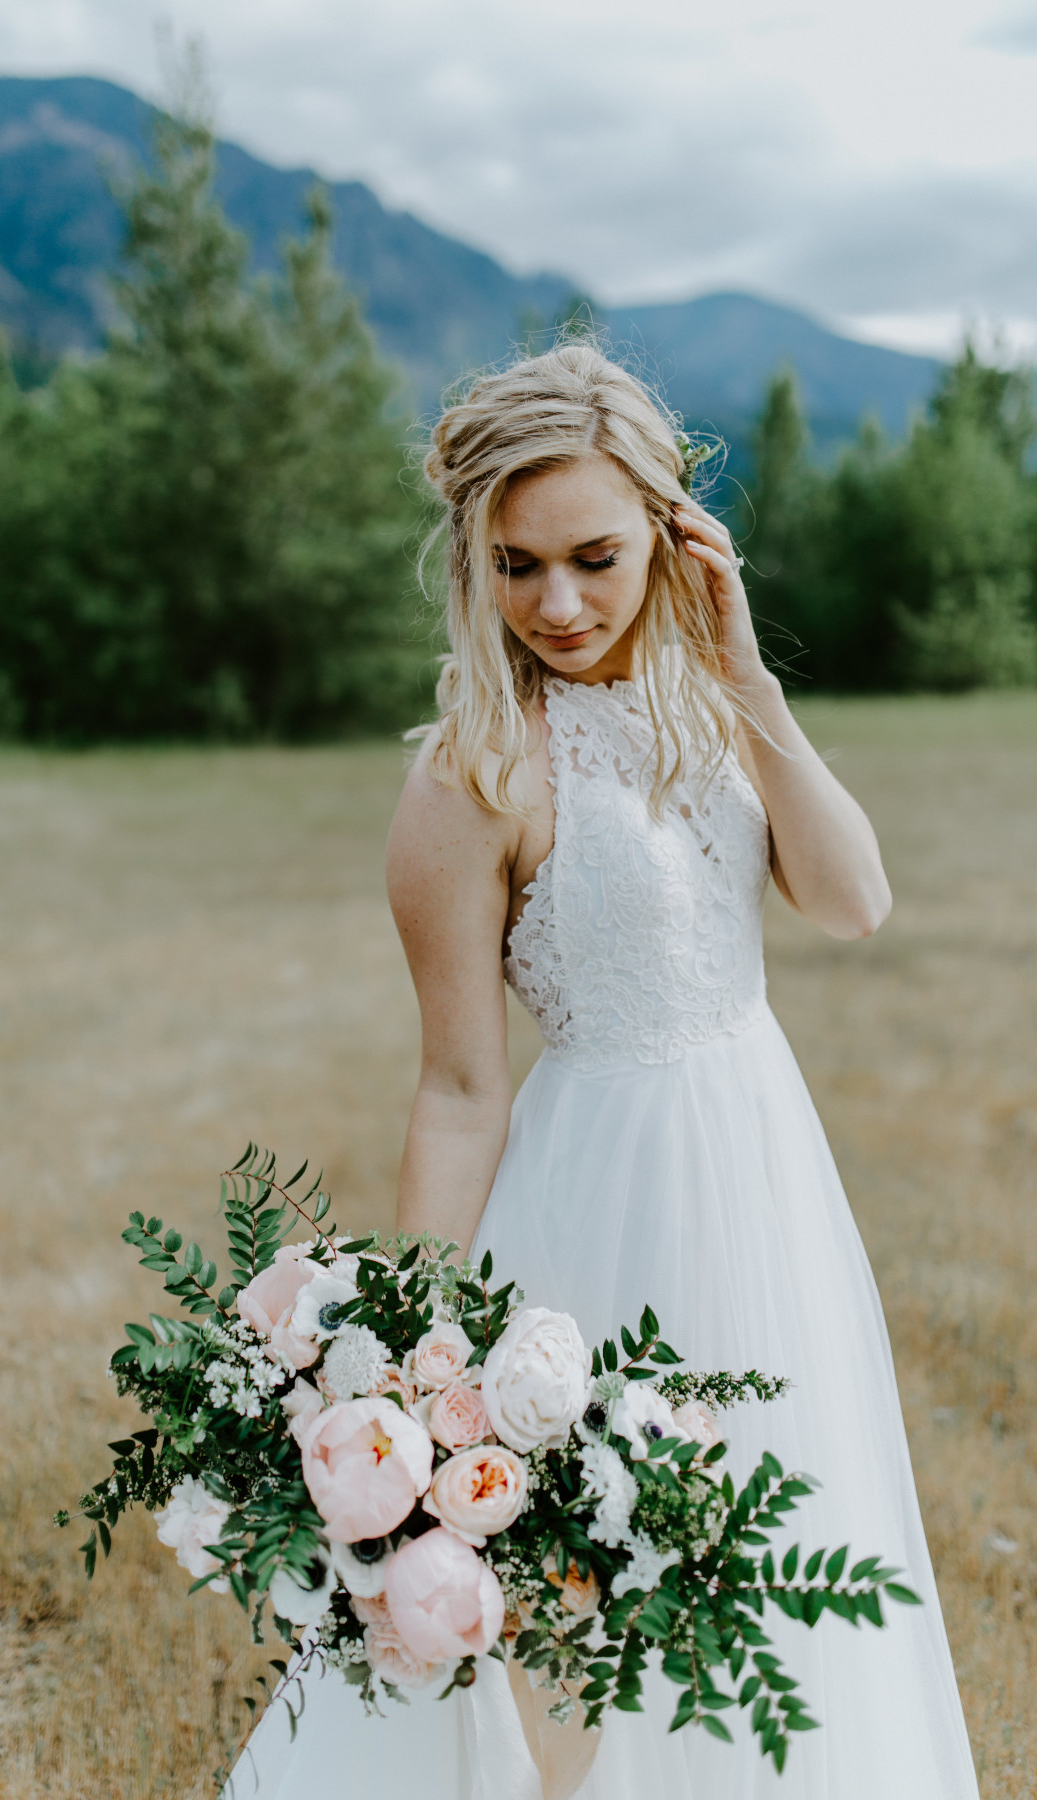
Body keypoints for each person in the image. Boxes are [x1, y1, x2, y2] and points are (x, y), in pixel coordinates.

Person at [224, 343, 979, 1798]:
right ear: (472, 561)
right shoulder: (472, 775)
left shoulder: (716, 709)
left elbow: (855, 900)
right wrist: (409, 1357)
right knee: (581, 1587)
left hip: (760, 1171)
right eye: (516, 566)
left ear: (675, 538)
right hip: (593, 1199)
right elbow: (457, 1084)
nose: (558, 604)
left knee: (774, 1529)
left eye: (595, 558)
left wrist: (748, 671)